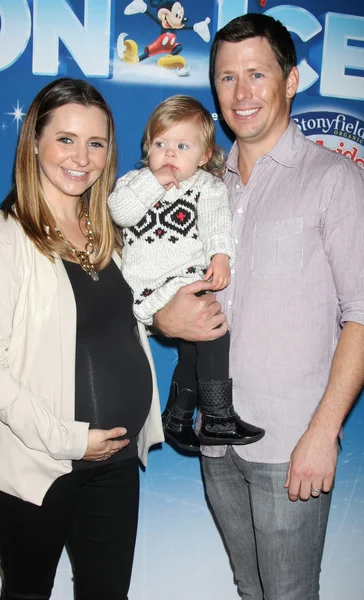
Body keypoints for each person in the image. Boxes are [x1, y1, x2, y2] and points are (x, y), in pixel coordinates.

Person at [154, 13, 364, 600]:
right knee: (250, 589)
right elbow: (166, 282)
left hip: (291, 442)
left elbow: (362, 313)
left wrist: (324, 433)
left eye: (256, 75)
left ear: (291, 81)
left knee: (290, 595)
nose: (241, 94)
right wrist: (162, 318)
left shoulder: (334, 180)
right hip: (215, 438)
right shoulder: (203, 186)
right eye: (226, 78)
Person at [0, 77, 164, 600]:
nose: (82, 157)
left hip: (117, 460)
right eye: (66, 139)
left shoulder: (116, 236)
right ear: (34, 141)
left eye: (96, 143)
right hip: (36, 463)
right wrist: (71, 440)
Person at [108, 95, 264, 453]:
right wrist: (155, 181)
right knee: (215, 336)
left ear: (205, 155)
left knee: (194, 351)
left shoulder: (207, 188)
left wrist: (221, 257)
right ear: (148, 147)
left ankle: (176, 419)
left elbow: (216, 227)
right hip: (146, 287)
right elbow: (121, 212)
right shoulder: (135, 182)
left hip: (188, 282)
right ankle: (217, 417)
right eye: (160, 144)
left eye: (182, 146)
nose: (170, 154)